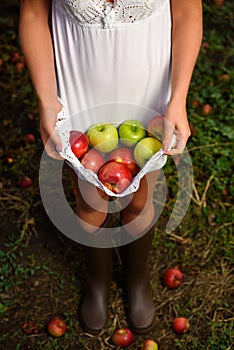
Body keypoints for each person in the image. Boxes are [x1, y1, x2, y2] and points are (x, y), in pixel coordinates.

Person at [19, 0, 202, 335]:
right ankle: (97, 282)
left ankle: (136, 279)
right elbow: (33, 12)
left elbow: (188, 12)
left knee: (140, 197)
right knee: (90, 199)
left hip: (149, 88)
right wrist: (47, 99)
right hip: (81, 92)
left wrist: (178, 98)